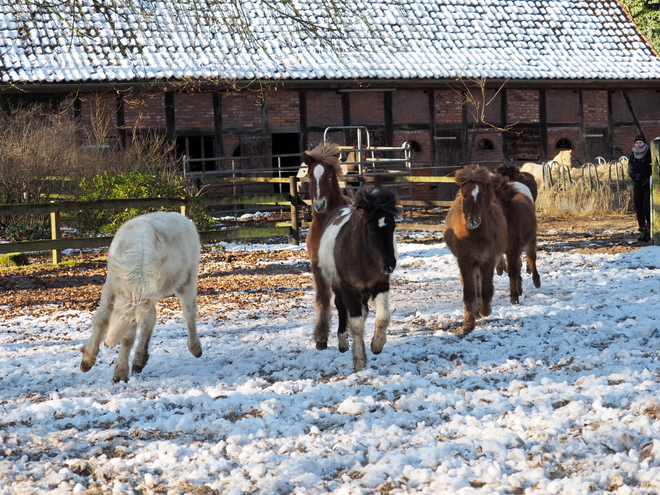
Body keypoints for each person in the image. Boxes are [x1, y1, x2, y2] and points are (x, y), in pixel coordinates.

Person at [628, 134, 652, 242]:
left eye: (640, 142)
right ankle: (642, 228)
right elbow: (630, 170)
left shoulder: (649, 154)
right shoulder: (632, 157)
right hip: (637, 184)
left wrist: (648, 177)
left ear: (644, 143)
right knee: (638, 206)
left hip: (647, 184)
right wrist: (634, 176)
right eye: (637, 142)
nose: (638, 144)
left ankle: (650, 227)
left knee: (646, 206)